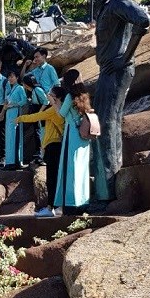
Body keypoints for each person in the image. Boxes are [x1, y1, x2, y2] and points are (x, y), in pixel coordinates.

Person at [91, 0, 150, 203]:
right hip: (107, 70)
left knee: (107, 124)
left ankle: (107, 192)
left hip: (116, 70)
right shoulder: (107, 4)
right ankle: (106, 188)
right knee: (104, 124)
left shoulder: (118, 2)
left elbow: (143, 20)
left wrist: (125, 57)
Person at [17, 85, 66, 217]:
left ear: (55, 97)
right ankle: (59, 206)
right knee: (58, 177)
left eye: (50, 94)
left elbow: (36, 116)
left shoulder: (53, 111)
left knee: (51, 178)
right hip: (59, 145)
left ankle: (50, 208)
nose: (47, 95)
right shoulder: (63, 109)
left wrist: (20, 118)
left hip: (52, 145)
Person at [56, 73, 93, 214]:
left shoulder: (69, 97)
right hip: (84, 136)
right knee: (82, 168)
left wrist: (54, 102)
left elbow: (61, 114)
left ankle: (70, 203)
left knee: (70, 168)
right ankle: (83, 202)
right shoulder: (85, 96)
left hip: (72, 134)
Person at [0, 70, 28, 170]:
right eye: (9, 77)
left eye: (12, 77)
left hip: (16, 114)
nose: (10, 79)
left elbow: (24, 100)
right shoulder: (11, 89)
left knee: (14, 138)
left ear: (17, 78)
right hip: (9, 115)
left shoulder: (20, 88)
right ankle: (10, 161)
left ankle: (15, 162)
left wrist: (14, 105)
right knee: (9, 138)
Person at [21, 74, 48, 164]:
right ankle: (39, 155)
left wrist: (40, 112)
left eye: (24, 83)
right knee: (37, 133)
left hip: (41, 114)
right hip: (36, 114)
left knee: (41, 134)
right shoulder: (31, 91)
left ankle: (43, 156)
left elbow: (46, 101)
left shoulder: (37, 90)